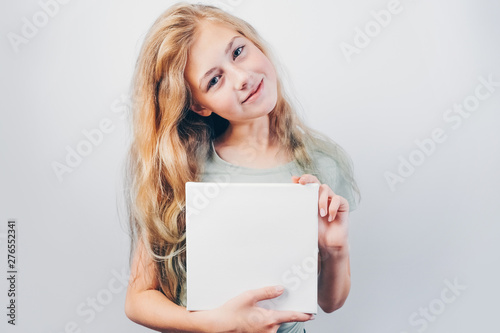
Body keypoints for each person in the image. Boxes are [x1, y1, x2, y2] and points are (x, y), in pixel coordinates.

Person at [123, 3, 361, 333]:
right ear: (199, 105)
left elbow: (330, 302)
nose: (244, 79)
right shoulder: (182, 170)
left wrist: (334, 249)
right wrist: (214, 324)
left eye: (238, 51)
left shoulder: (323, 163)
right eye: (215, 80)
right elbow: (138, 298)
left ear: (253, 41)